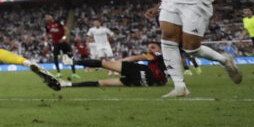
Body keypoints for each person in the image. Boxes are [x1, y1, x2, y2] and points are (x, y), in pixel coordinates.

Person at [38, 43, 168, 89]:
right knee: (102, 83)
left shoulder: (157, 55)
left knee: (103, 63)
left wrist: (123, 61)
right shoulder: (168, 61)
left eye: (153, 47)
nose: (150, 49)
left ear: (159, 48)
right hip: (144, 82)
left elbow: (139, 57)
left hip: (140, 72)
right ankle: (67, 84)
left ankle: (72, 62)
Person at [44, 14, 78, 79]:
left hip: (64, 43)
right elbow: (46, 34)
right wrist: (46, 43)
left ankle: (74, 73)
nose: (47, 18)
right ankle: (58, 73)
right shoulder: (47, 26)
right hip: (55, 44)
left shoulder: (58, 22)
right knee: (55, 57)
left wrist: (64, 38)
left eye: (48, 16)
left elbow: (67, 30)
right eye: (46, 17)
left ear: (51, 16)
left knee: (69, 57)